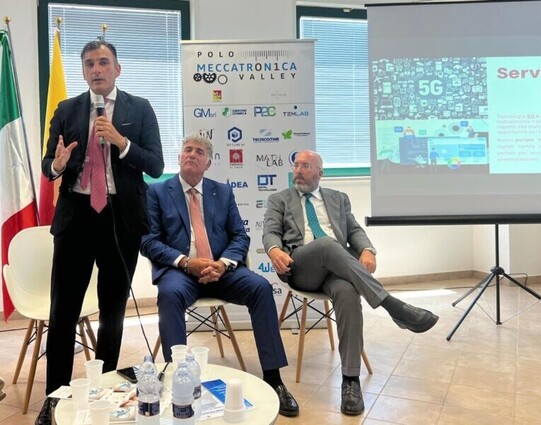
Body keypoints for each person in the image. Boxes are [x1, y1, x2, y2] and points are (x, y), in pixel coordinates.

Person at [36, 39, 164, 425]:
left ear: (117, 69)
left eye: (104, 62)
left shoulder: (140, 108)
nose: (97, 69)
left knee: (113, 313)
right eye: (90, 63)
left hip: (120, 220)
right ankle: (55, 399)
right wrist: (57, 165)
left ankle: (103, 391)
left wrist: (122, 143)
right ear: (83, 71)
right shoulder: (66, 109)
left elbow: (155, 165)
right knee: (62, 314)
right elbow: (48, 164)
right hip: (76, 218)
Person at [262, 150, 439, 416]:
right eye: (296, 165)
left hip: (336, 269)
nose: (298, 171)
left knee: (347, 291)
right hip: (301, 266)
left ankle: (350, 381)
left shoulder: (338, 198)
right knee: (326, 244)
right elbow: (270, 231)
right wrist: (274, 249)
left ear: (320, 173)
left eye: (306, 166)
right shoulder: (280, 199)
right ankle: (392, 306)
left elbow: (354, 230)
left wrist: (367, 249)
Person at [140, 133, 299, 418]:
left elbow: (240, 236)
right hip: (181, 272)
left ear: (208, 163)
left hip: (221, 271)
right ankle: (179, 381)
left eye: (199, 152)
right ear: (179, 157)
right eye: (188, 150)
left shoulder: (222, 192)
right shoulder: (157, 192)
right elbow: (149, 242)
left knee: (260, 288)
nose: (192, 154)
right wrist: (186, 262)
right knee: (169, 294)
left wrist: (223, 264)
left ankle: (274, 378)